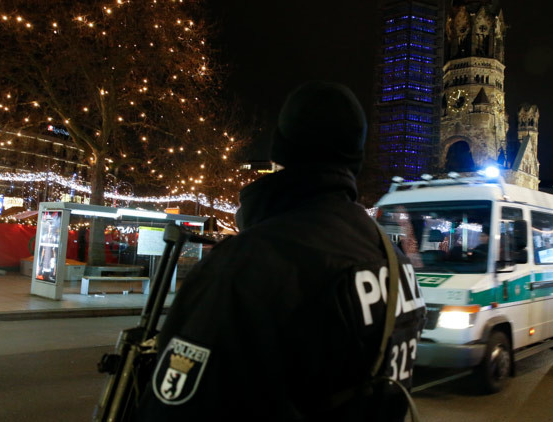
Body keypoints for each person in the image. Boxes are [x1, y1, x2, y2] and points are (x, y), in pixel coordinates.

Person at [137, 81, 426, 421]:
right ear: (356, 158)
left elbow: (174, 406)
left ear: (281, 150)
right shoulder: (395, 263)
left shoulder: (245, 266)